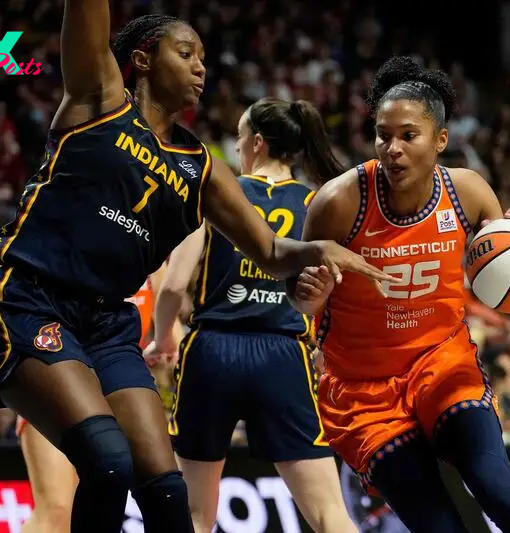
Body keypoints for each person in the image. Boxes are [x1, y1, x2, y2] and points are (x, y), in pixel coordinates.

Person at [0, 5, 390, 533]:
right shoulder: (98, 97)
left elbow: (272, 252)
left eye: (203, 59)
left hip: (106, 327)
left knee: (168, 492)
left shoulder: (201, 164)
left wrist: (321, 248)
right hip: (27, 298)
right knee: (109, 462)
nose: (200, 68)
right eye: (185, 54)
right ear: (141, 60)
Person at [287, 56, 510, 533]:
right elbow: (299, 300)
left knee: (494, 483)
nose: (391, 148)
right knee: (439, 526)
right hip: (362, 391)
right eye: (382, 135)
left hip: (442, 363)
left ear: (441, 140)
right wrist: (307, 297)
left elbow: (498, 278)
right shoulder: (337, 203)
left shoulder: (469, 192)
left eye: (408, 136)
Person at [147, 97, 355, 533]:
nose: (238, 148)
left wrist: (163, 335)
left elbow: (171, 285)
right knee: (327, 513)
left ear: (256, 143)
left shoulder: (218, 191)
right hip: (283, 353)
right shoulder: (318, 203)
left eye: (240, 139)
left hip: (212, 350)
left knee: (195, 517)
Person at [0, 263, 185, 533]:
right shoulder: (73, 248)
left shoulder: (152, 264)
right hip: (56, 378)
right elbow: (17, 297)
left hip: (114, 388)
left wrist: (176, 360)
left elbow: (173, 337)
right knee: (56, 510)